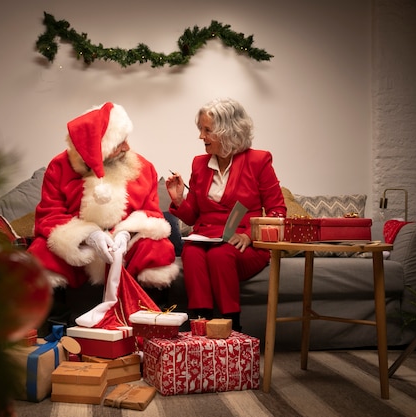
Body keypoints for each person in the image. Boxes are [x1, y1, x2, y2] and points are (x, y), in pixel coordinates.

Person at [27, 101, 179, 327]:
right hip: (81, 248)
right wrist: (89, 235)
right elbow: (49, 215)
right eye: (120, 143)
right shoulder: (59, 167)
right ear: (97, 148)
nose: (128, 147)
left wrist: (126, 233)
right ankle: (54, 330)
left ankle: (153, 325)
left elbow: (151, 212)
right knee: (39, 253)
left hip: (126, 244)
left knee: (158, 249)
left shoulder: (143, 167)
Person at [165, 98, 286, 331]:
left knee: (220, 255)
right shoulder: (199, 164)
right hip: (205, 239)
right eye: (201, 129)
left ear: (228, 132)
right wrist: (179, 199)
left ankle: (232, 326)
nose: (201, 136)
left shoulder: (258, 161)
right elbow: (192, 217)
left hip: (244, 244)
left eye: (207, 130)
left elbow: (277, 211)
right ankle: (201, 324)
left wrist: (249, 235)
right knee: (191, 252)